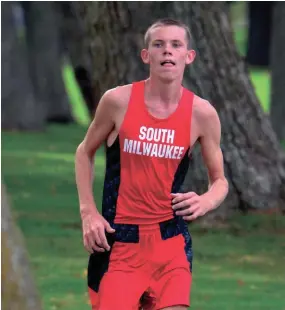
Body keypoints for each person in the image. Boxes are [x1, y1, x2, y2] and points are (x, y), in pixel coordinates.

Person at [75, 18, 229, 310]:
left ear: (189, 56)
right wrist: (88, 213)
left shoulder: (202, 113)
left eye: (176, 45)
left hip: (170, 246)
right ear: (146, 55)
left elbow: (220, 181)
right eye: (158, 45)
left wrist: (206, 201)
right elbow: (84, 152)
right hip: (119, 246)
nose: (167, 51)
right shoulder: (117, 101)